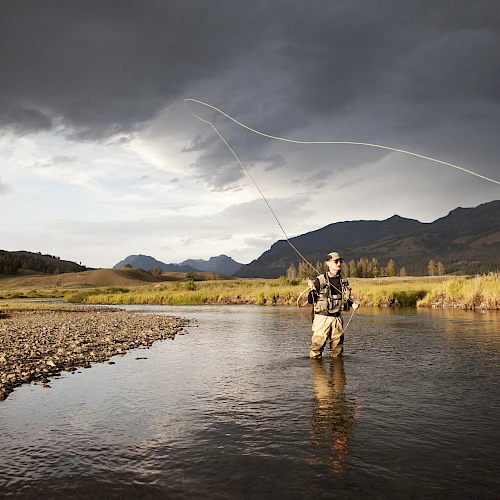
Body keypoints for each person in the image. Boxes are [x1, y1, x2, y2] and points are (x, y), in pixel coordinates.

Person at [307, 251, 359, 359]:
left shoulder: (343, 281)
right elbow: (311, 300)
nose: (339, 263)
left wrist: (352, 304)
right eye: (336, 261)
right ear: (328, 264)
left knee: (338, 350)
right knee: (317, 348)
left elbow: (346, 298)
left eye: (340, 261)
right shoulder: (319, 280)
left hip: (337, 318)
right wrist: (312, 289)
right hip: (322, 318)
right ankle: (318, 373)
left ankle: (338, 374)